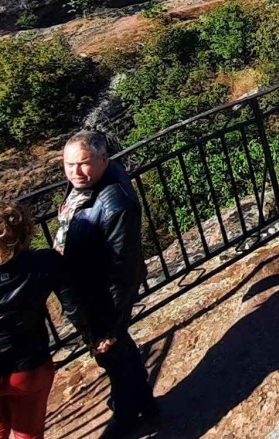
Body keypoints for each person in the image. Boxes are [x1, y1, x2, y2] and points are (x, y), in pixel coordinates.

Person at [55, 132, 156, 438]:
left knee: (110, 352)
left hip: (103, 295)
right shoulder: (90, 183)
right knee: (120, 350)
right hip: (92, 285)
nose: (75, 172)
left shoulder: (116, 205)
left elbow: (121, 270)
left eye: (83, 164)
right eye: (69, 164)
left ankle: (126, 417)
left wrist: (112, 324)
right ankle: (146, 405)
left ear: (102, 160)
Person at [0, 200, 87, 439]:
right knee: (29, 434)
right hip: (29, 366)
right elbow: (73, 306)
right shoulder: (43, 263)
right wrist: (96, 336)